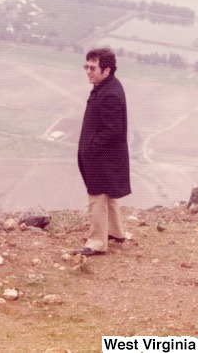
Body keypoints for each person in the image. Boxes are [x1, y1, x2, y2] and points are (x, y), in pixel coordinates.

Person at [74, 46, 131, 256]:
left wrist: (91, 147)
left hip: (101, 157)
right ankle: (116, 232)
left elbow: (113, 130)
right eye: (86, 67)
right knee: (107, 195)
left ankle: (96, 243)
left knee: (97, 196)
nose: (88, 71)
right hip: (104, 155)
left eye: (93, 68)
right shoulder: (106, 87)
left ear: (107, 70)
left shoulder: (110, 94)